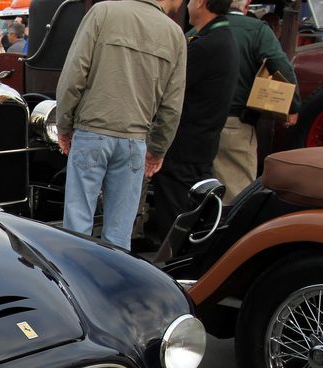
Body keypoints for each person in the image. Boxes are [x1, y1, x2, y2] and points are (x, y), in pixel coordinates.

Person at [56, 0, 186, 251]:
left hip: (92, 130)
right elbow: (173, 102)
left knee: (77, 225)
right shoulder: (174, 33)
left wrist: (64, 125)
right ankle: (113, 285)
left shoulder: (103, 12)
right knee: (119, 232)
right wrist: (158, 148)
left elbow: (73, 76)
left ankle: (75, 284)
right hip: (135, 139)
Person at [151, 0, 239, 240]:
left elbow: (168, 86)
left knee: (176, 222)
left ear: (201, 3)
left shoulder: (207, 46)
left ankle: (176, 271)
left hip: (184, 148)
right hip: (201, 144)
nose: (186, 5)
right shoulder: (223, 40)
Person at [214, 0, 300, 202]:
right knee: (236, 194)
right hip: (235, 123)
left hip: (197, 122)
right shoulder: (257, 30)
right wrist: (293, 105)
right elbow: (280, 66)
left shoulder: (203, 27)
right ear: (247, 6)